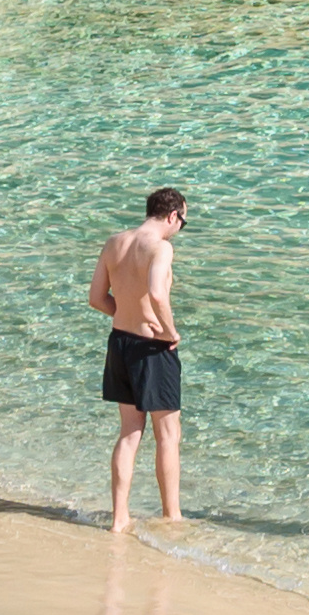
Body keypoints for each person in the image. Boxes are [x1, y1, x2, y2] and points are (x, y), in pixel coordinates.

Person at [89, 187, 189, 539]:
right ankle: (172, 516)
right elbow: (158, 294)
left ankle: (119, 519)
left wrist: (126, 315)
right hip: (151, 348)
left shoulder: (114, 242)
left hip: (120, 342)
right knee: (168, 435)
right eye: (184, 221)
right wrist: (170, 332)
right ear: (173, 216)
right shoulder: (161, 247)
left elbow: (96, 297)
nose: (180, 228)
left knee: (130, 433)